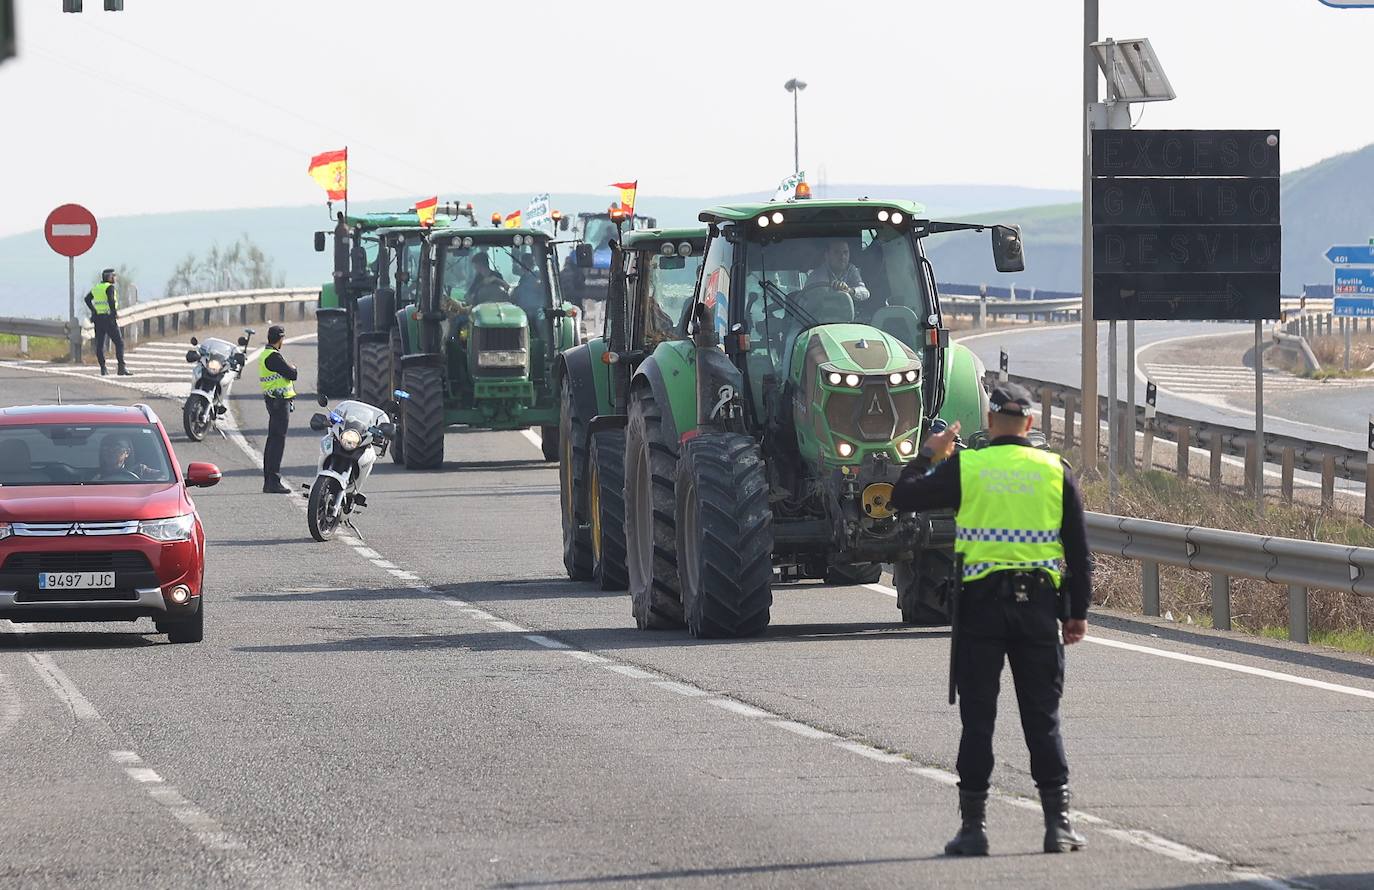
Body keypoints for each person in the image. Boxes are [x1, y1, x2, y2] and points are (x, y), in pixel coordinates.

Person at [889, 381, 1091, 857]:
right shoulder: (1053, 470)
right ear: (1031, 424)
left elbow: (901, 497)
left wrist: (929, 454)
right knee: (1042, 719)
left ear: (989, 421)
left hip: (980, 609)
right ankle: (1057, 825)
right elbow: (1080, 555)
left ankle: (974, 829)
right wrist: (1076, 614)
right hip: (1039, 608)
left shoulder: (969, 465)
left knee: (978, 720)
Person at [259, 325, 297, 494]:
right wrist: (293, 368)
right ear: (280, 339)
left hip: (273, 401)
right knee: (277, 442)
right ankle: (273, 481)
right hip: (279, 403)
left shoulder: (265, 354)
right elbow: (292, 374)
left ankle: (270, 480)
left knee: (272, 440)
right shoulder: (274, 356)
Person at [85, 268, 132, 377]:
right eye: (114, 276)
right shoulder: (109, 287)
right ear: (109, 277)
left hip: (98, 319)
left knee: (100, 345)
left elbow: (87, 299)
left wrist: (94, 310)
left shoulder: (97, 287)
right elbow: (111, 301)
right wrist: (114, 313)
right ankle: (121, 368)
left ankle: (103, 368)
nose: (115, 278)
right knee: (119, 343)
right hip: (108, 319)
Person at [805, 240, 870, 302]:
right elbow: (816, 299)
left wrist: (849, 290)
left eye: (845, 252)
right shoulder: (817, 275)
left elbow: (865, 293)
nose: (842, 257)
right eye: (836, 252)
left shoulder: (851, 269)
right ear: (827, 255)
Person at [92, 435, 156, 481]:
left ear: (127, 452)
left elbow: (162, 477)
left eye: (116, 449)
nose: (111, 452)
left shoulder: (140, 470)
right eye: (106, 449)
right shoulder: (91, 475)